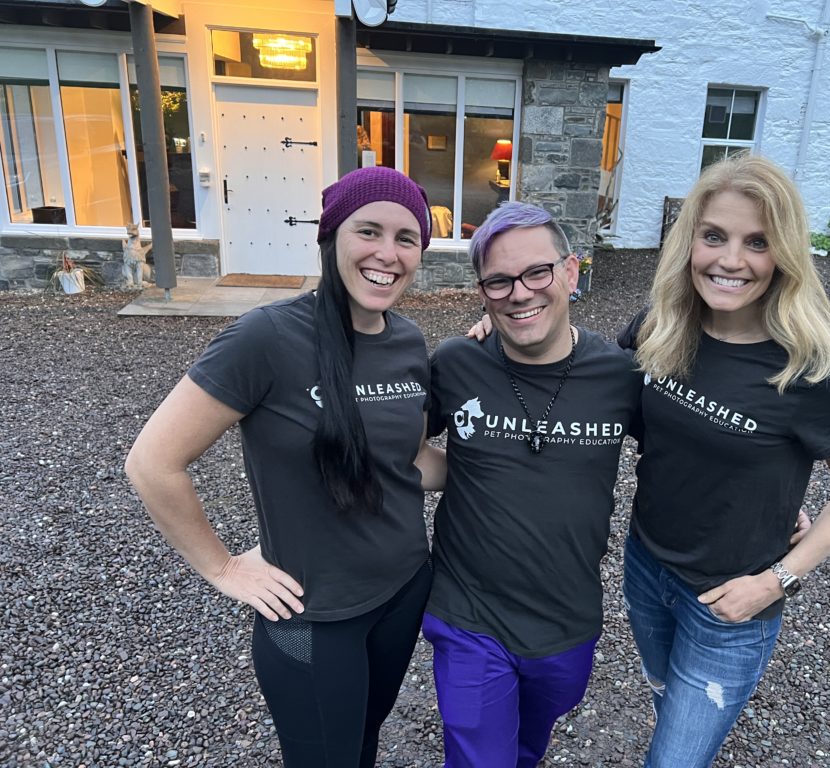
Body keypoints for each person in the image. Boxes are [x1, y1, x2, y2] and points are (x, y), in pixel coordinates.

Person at [125, 166, 444, 768]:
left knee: (362, 746)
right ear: (331, 238)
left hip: (404, 593)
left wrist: (503, 467)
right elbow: (153, 462)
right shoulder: (265, 338)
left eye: (407, 238)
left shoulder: (406, 340)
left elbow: (411, 462)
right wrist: (220, 567)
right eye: (368, 231)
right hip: (314, 617)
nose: (388, 253)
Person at [618, 153, 830, 767]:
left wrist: (779, 579)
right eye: (714, 236)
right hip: (647, 569)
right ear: (689, 242)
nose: (730, 260)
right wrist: (500, 337)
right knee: (670, 711)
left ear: (783, 254)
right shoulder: (659, 328)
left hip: (732, 604)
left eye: (756, 242)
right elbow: (588, 382)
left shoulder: (811, 370)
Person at [424, 201, 642, 767]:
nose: (520, 293)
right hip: (468, 613)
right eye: (499, 281)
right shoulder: (455, 363)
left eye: (537, 272)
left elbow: (686, 456)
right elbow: (383, 442)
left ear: (571, 272)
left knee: (527, 742)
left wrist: (772, 508)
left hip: (567, 617)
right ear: (482, 291)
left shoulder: (620, 376)